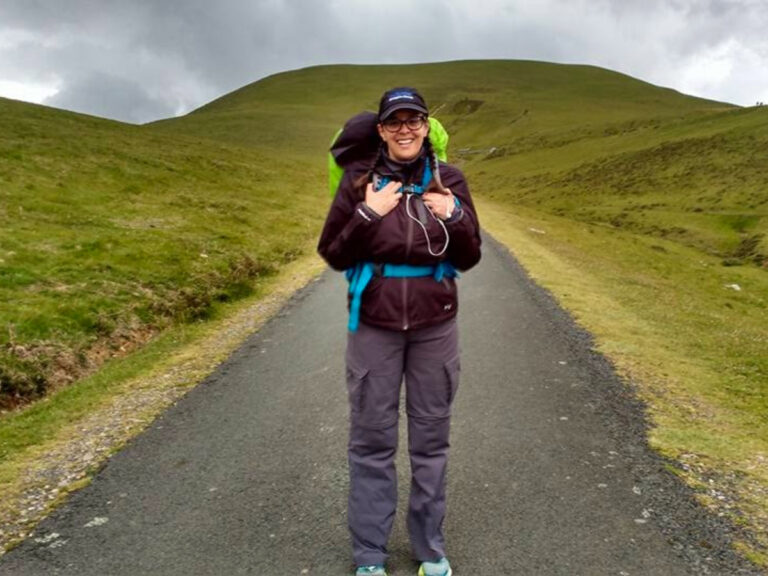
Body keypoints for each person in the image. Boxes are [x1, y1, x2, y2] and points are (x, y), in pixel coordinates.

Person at [318, 87, 482, 576]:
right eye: (396, 121)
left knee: (431, 443)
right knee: (371, 442)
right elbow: (334, 252)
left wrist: (455, 216)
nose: (406, 129)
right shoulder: (357, 181)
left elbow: (469, 256)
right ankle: (370, 556)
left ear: (426, 126)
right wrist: (368, 213)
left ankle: (430, 548)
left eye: (415, 120)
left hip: (436, 328)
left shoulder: (448, 179)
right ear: (382, 130)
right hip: (374, 327)